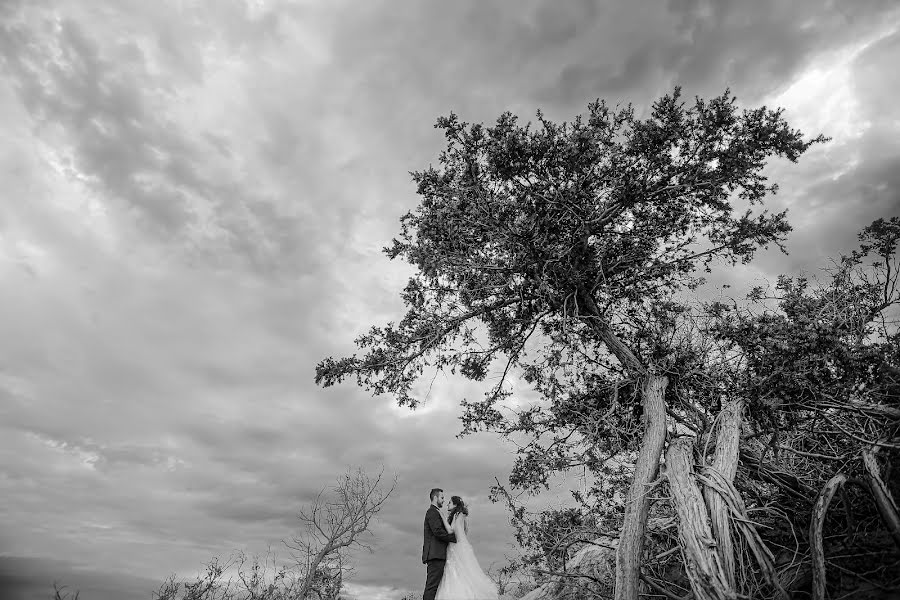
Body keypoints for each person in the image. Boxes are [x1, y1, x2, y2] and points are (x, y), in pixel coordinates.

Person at [434, 495, 498, 600]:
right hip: (456, 546)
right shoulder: (461, 515)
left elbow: (451, 531)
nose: (447, 504)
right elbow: (464, 531)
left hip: (455, 547)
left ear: (455, 504)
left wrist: (441, 516)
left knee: (456, 572)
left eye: (449, 502)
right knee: (458, 572)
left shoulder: (458, 515)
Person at [423, 488, 457, 600]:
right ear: (435, 497)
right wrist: (453, 538)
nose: (443, 500)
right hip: (435, 555)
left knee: (435, 588)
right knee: (431, 588)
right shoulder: (432, 512)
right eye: (442, 498)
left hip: (437, 555)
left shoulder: (436, 512)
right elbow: (437, 531)